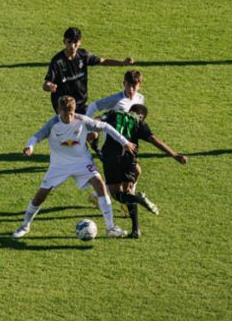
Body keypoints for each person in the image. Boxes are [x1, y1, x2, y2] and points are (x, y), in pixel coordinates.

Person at [12, 96, 131, 239]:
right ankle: (25, 226)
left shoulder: (82, 120)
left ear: (74, 110)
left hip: (81, 161)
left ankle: (110, 227)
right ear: (58, 110)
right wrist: (29, 146)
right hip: (59, 165)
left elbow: (105, 126)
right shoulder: (53, 123)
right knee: (41, 195)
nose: (69, 117)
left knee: (99, 183)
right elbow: (37, 136)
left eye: (71, 113)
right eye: (65, 114)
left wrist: (124, 142)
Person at [92, 104, 187, 238]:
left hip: (111, 155)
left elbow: (96, 121)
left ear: (131, 110)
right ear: (142, 116)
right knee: (128, 190)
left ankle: (138, 199)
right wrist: (175, 155)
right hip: (129, 156)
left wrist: (92, 135)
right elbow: (155, 140)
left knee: (115, 193)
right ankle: (136, 229)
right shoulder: (140, 123)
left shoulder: (115, 114)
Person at [44, 26, 134, 114]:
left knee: (89, 127)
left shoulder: (83, 56)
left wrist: (122, 63)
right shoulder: (57, 62)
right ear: (64, 41)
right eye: (69, 42)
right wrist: (50, 86)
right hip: (64, 106)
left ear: (80, 42)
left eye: (75, 42)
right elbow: (46, 84)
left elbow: (102, 61)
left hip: (81, 104)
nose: (72, 45)